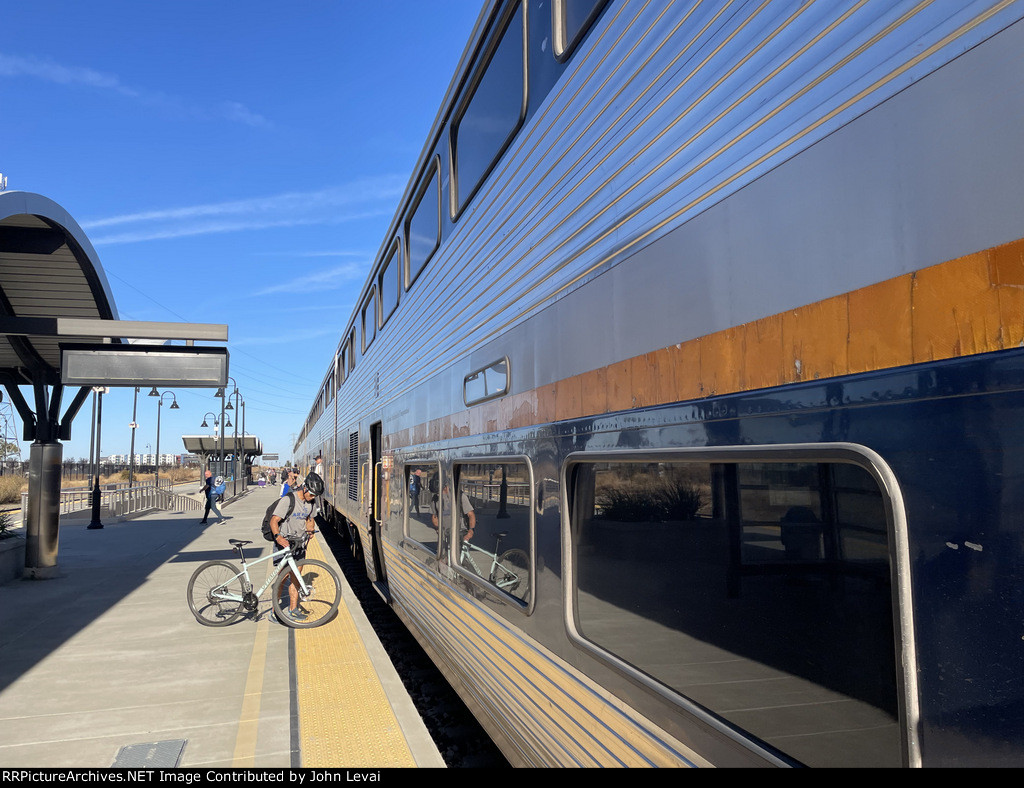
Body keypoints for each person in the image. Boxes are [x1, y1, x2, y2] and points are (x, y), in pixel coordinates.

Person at [267, 472, 324, 622]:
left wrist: (310, 531)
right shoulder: (288, 500)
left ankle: (293, 609)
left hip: (299, 544)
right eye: (311, 494)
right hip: (284, 544)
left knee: (296, 578)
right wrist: (278, 537)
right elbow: (274, 520)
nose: (313, 497)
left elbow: (310, 518)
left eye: (315, 496)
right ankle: (274, 612)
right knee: (282, 578)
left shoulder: (311, 503)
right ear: (304, 488)